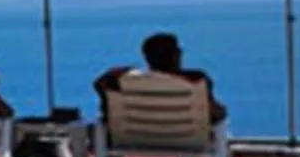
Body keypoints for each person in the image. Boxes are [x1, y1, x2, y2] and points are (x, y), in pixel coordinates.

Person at [95, 31, 226, 123]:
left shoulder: (126, 81)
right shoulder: (196, 80)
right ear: (176, 55)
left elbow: (100, 84)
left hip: (136, 137)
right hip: (187, 138)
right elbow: (215, 112)